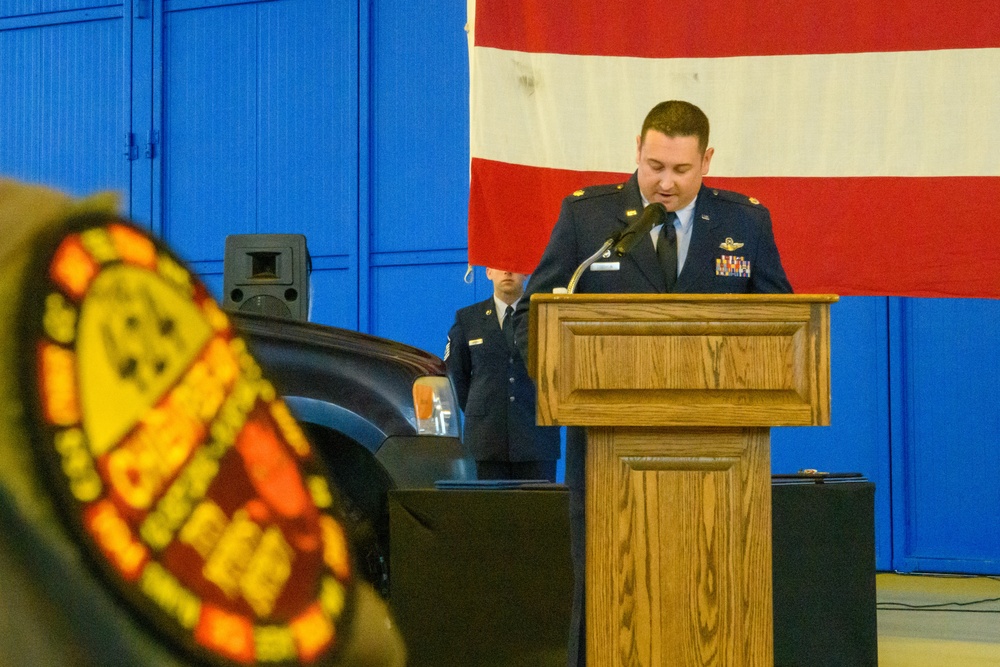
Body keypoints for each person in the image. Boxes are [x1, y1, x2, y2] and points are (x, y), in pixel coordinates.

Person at [512, 100, 793, 666]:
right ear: (636, 149)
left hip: (718, 452)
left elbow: (780, 324)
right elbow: (531, 318)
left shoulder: (744, 222)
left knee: (714, 584)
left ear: (707, 160)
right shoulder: (588, 219)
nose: (665, 183)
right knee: (605, 588)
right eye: (654, 166)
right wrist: (565, 382)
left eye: (681, 170)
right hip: (605, 445)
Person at [445, 267, 561, 481]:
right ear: (488, 272)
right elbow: (456, 376)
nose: (508, 271)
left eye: (516, 265)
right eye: (499, 265)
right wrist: (481, 409)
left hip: (536, 437)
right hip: (485, 440)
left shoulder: (544, 315)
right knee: (487, 513)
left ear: (526, 273)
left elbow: (560, 370)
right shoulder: (467, 318)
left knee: (537, 512)